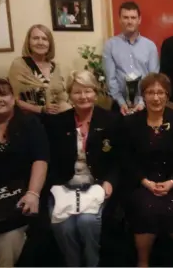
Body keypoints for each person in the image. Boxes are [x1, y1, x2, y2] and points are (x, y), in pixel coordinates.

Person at [44, 70, 120, 266]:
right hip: (65, 185)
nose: (84, 96)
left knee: (87, 222)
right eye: (77, 92)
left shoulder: (110, 120)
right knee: (64, 227)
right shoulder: (58, 122)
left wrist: (110, 181)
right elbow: (49, 159)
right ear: (69, 95)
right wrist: (55, 185)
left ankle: (92, 263)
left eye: (88, 91)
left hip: (97, 183)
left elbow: (120, 158)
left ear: (95, 92)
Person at [121, 73, 173, 267]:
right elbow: (126, 159)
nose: (155, 97)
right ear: (143, 96)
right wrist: (145, 182)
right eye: (150, 92)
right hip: (142, 181)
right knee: (145, 209)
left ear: (167, 96)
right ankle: (143, 260)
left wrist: (172, 182)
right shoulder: (131, 123)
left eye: (160, 92)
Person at [0, 77, 49, 267]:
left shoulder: (30, 124)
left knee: (8, 244)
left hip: (23, 198)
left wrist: (33, 194)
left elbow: (40, 160)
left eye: (4, 94)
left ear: (14, 98)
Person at [103, 1, 159, 116]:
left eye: (133, 17)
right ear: (119, 19)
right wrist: (121, 102)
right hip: (119, 105)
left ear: (139, 20)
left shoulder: (150, 46)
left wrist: (143, 102)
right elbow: (111, 79)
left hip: (145, 105)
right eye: (126, 17)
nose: (129, 21)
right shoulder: (110, 45)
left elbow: (153, 78)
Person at [8, 24, 71, 115]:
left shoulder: (55, 66)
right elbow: (14, 99)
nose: (40, 42)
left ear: (50, 44)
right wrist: (41, 109)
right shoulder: (19, 64)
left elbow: (62, 96)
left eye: (44, 39)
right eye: (36, 38)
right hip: (29, 117)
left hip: (55, 116)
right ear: (28, 42)